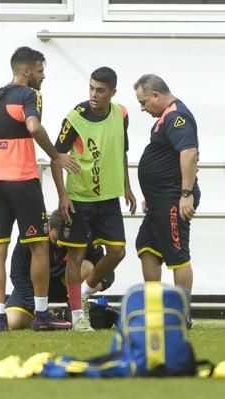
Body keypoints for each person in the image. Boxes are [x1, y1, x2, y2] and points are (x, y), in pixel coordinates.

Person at [0, 46, 79, 332]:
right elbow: (34, 127)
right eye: (40, 70)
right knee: (39, 246)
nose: (43, 76)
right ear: (26, 71)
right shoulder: (30, 95)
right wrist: (56, 155)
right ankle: (41, 315)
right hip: (23, 183)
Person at [50, 67, 135, 331]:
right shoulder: (75, 118)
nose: (94, 95)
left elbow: (121, 151)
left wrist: (127, 186)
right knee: (75, 257)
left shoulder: (121, 114)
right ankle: (77, 316)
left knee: (118, 252)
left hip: (109, 198)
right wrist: (62, 195)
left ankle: (85, 293)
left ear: (113, 93)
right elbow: (56, 157)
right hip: (79, 199)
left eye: (100, 90)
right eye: (91, 88)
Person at [133, 74, 199, 323]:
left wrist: (185, 194)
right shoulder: (165, 116)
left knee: (177, 253)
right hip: (159, 199)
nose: (142, 108)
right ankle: (155, 309)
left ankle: (182, 315)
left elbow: (189, 153)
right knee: (146, 246)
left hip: (174, 198)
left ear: (156, 96)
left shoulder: (176, 117)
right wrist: (150, 194)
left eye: (144, 102)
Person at [5, 210, 114, 330]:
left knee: (87, 267)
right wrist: (35, 305)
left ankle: (73, 312)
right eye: (55, 239)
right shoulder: (32, 236)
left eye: (64, 241)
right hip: (33, 291)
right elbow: (17, 275)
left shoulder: (83, 238)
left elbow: (107, 272)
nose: (60, 245)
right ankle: (49, 318)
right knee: (11, 322)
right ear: (49, 227)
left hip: (67, 289)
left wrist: (89, 287)